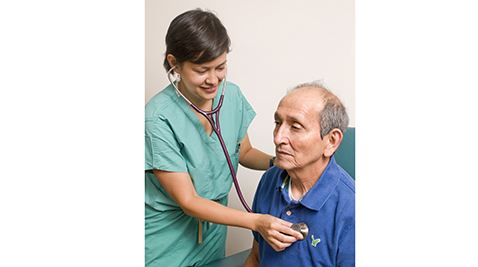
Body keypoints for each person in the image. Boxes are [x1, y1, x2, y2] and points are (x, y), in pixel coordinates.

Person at [145, 9, 302, 267]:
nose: (213, 79)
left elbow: (244, 151)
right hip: (167, 237)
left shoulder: (231, 97)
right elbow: (189, 201)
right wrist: (257, 222)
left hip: (213, 231)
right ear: (174, 64)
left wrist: (279, 162)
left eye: (221, 67)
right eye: (201, 70)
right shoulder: (157, 119)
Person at [244, 82, 355, 267]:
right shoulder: (270, 179)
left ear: (331, 141)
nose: (278, 138)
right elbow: (256, 257)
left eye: (295, 127)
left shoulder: (352, 209)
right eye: (278, 123)